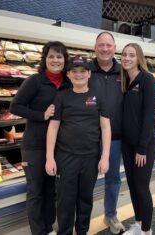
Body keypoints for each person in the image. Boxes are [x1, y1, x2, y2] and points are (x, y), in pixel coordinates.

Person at [10, 41, 71, 235]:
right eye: (51, 56)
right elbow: (15, 106)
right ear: (45, 59)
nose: (55, 60)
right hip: (35, 145)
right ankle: (39, 231)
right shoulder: (35, 81)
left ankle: (48, 227)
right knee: (36, 192)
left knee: (51, 190)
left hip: (59, 147)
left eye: (59, 56)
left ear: (65, 60)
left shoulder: (69, 82)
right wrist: (41, 115)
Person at [45, 55, 111, 235]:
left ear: (89, 73)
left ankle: (82, 231)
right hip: (65, 157)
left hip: (90, 158)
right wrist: (49, 158)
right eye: (75, 71)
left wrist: (105, 157)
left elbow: (105, 128)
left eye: (83, 71)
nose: (79, 75)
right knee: (65, 201)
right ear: (69, 75)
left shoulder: (98, 97)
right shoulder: (61, 97)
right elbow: (53, 127)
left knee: (85, 200)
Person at [89, 31, 125, 234]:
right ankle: (82, 216)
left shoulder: (124, 71)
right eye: (101, 45)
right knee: (86, 179)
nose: (104, 49)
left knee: (113, 178)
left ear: (114, 48)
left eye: (108, 45)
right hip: (89, 137)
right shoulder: (85, 70)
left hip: (116, 138)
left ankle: (110, 214)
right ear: (95, 48)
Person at [120, 43, 155, 235]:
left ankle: (146, 230)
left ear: (138, 58)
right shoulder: (125, 81)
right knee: (132, 185)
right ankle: (138, 223)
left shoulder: (147, 80)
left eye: (131, 55)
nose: (127, 58)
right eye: (124, 55)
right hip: (127, 143)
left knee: (142, 187)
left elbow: (149, 115)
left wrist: (142, 148)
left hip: (144, 144)